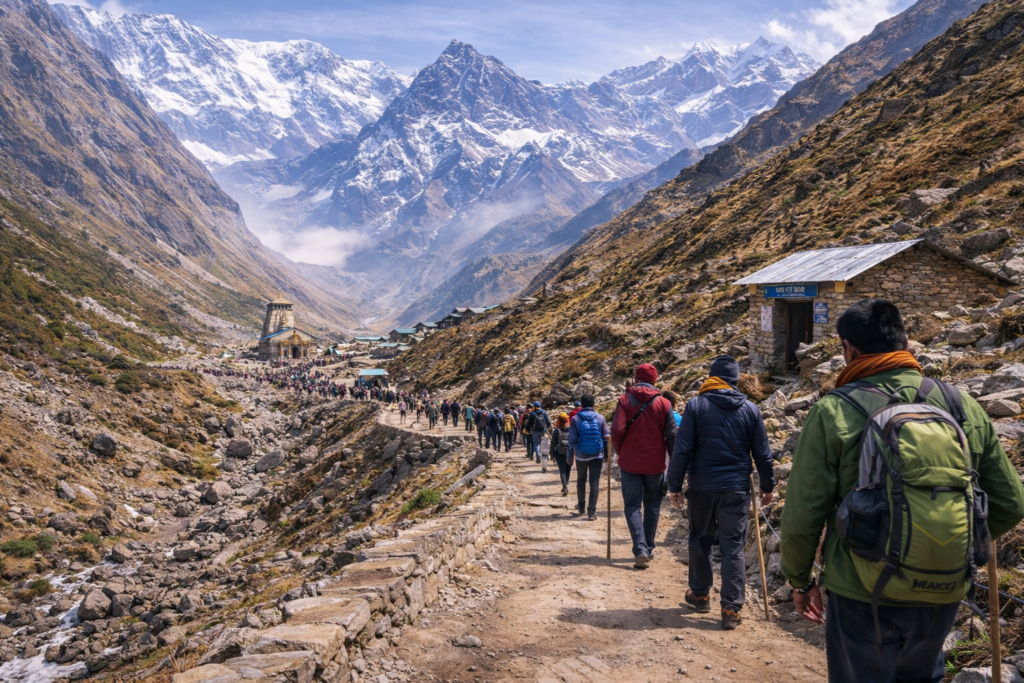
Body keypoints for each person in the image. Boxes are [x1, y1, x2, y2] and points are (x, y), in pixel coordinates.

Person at [780, 299, 1024, 681]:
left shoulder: (833, 411)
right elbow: (1011, 502)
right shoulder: (962, 407)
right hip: (942, 588)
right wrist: (943, 539)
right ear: (904, 342)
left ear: (849, 348)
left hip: (860, 587)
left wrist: (800, 580)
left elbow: (802, 513)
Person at [668, 355, 774, 630]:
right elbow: (762, 453)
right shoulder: (750, 409)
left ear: (711, 378)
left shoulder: (696, 405)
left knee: (700, 540)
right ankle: (730, 609)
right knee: (733, 548)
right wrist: (767, 486)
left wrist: (674, 486)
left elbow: (683, 449)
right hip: (737, 489)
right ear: (735, 380)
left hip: (702, 487)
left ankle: (701, 595)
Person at [610, 363, 678, 569]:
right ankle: (648, 547)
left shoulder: (624, 399)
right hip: (655, 464)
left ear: (636, 378)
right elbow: (672, 435)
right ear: (655, 380)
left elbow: (617, 429)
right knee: (652, 507)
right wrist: (674, 462)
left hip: (630, 462)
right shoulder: (665, 403)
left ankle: (640, 548)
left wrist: (619, 449)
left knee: (632, 507)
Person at [567, 394, 609, 520]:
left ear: (582, 404)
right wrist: (606, 454)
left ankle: (581, 506)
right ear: (593, 404)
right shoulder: (600, 418)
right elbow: (606, 437)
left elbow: (571, 439)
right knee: (594, 482)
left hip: (581, 455)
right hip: (597, 454)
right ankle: (592, 512)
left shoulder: (575, 419)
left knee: (581, 479)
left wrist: (570, 455)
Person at [550, 413, 572, 495]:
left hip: (559, 452)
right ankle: (566, 484)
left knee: (562, 470)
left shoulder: (557, 431)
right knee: (568, 469)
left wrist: (551, 454)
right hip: (569, 452)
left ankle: (565, 487)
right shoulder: (571, 429)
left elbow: (553, 443)